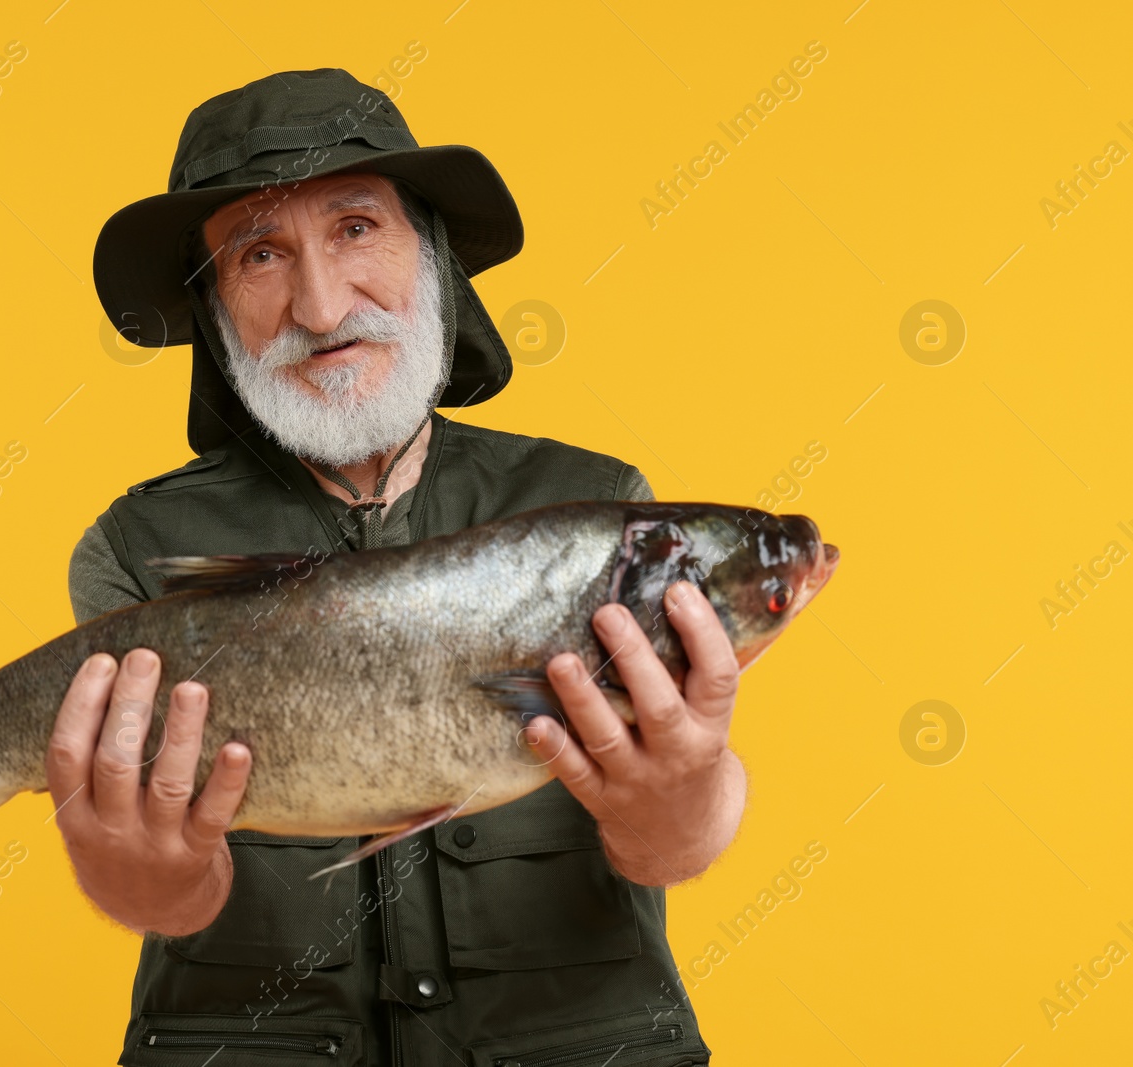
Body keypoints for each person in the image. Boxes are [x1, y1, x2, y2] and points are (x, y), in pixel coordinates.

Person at [49, 68, 742, 1066]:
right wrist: (136, 871)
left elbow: (670, 846)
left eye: (357, 229)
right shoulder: (131, 549)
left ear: (436, 256)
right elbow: (160, 898)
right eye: (258, 253)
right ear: (215, 314)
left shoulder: (600, 505)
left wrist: (681, 795)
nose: (322, 306)